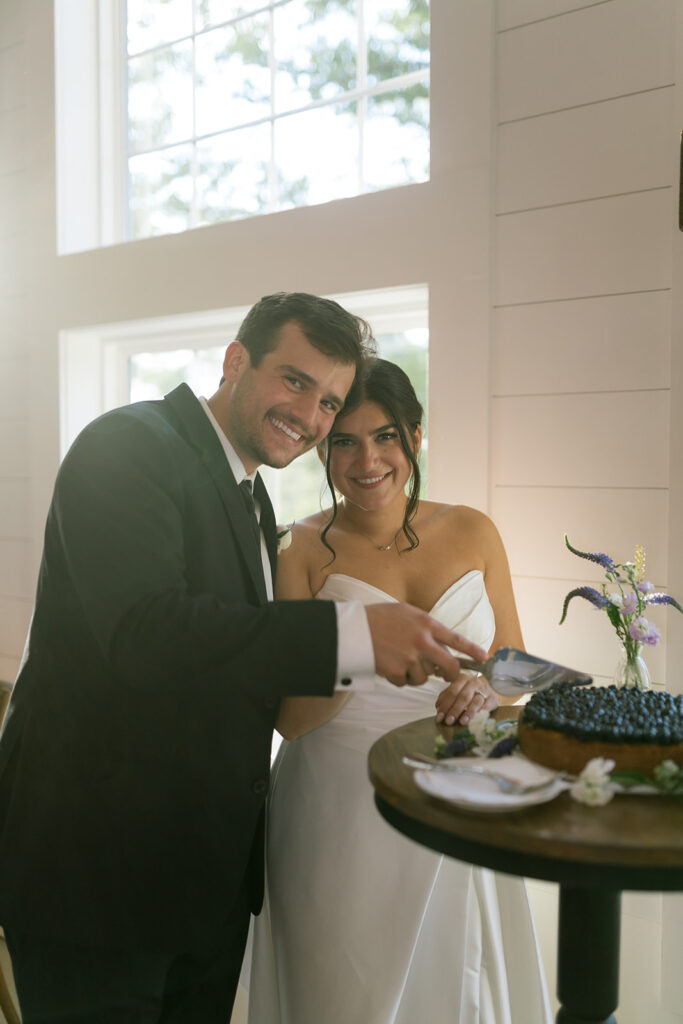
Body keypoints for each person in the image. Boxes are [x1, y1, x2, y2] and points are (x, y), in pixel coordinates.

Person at [0, 294, 488, 1023]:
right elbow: (145, 630)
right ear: (236, 361)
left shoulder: (252, 497)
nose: (312, 415)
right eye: (295, 381)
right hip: (97, 882)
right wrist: (352, 637)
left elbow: (234, 668)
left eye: (327, 400)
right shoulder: (128, 444)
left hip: (204, 892)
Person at [248, 358, 552, 1024]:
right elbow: (292, 723)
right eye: (344, 442)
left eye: (385, 436)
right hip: (338, 810)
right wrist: (364, 653)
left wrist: (482, 688)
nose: (366, 460)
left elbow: (514, 671)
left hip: (459, 794)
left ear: (414, 436)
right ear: (321, 450)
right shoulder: (296, 550)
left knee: (458, 990)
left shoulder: (473, 529)